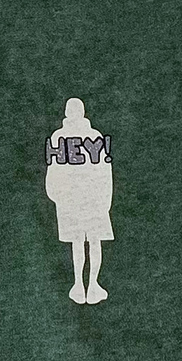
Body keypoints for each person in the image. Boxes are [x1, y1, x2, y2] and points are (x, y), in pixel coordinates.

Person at [44, 96, 113, 304]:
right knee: (94, 241)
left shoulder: (58, 136)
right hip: (93, 198)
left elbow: (53, 172)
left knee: (77, 242)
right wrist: (106, 199)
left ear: (67, 113)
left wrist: (56, 195)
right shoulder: (94, 136)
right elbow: (104, 172)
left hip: (70, 199)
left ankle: (79, 285)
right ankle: (92, 284)